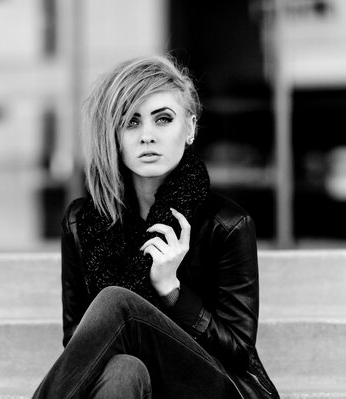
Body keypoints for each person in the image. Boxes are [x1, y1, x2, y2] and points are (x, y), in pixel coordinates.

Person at [32, 55, 279, 399]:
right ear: (115, 136)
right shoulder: (83, 223)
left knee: (117, 302)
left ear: (190, 128)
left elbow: (238, 351)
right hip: (135, 386)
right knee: (121, 371)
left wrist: (171, 289)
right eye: (131, 122)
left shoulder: (227, 225)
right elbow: (80, 345)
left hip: (215, 387)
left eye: (163, 119)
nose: (147, 136)